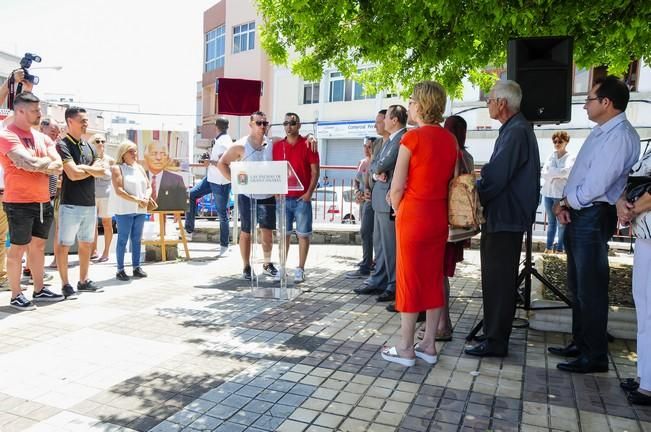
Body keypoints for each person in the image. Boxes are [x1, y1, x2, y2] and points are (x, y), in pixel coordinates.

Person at [550, 76, 640, 373]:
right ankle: (581, 342)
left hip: (593, 213)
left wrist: (566, 202)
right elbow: (581, 176)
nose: (585, 104)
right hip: (581, 212)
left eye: (589, 99)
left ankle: (595, 354)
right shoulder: (602, 131)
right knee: (577, 284)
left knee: (591, 287)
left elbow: (596, 185)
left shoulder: (620, 136)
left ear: (606, 103)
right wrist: (565, 202)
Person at [381, 81, 457, 366]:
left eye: (412, 100)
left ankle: (405, 348)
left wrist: (397, 206)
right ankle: (428, 346)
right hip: (438, 216)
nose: (409, 104)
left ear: (421, 104)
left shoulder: (411, 139)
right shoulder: (450, 140)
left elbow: (398, 188)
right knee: (434, 278)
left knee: (410, 280)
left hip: (413, 216)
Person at [465, 80, 541, 358]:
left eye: (490, 100)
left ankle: (496, 341)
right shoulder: (515, 129)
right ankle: (494, 335)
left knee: (498, 280)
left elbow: (496, 177)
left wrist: (474, 197)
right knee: (497, 279)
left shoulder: (516, 131)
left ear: (502, 103)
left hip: (505, 215)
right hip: (505, 214)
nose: (487, 104)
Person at [0, 92, 63, 310]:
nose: (40, 114)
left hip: (42, 200)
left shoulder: (42, 137)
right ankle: (16, 294)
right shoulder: (7, 135)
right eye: (35, 110)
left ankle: (39, 289)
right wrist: (41, 164)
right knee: (17, 249)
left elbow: (58, 163)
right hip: (18, 202)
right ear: (20, 111)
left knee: (37, 247)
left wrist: (38, 163)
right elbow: (25, 163)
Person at [217, 111, 278, 280]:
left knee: (267, 232)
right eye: (259, 123)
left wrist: (310, 135)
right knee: (246, 232)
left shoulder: (271, 143)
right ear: (250, 125)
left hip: (267, 195)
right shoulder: (241, 145)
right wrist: (234, 182)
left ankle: (267, 263)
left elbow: (290, 138)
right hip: (247, 196)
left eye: (265, 123)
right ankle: (246, 266)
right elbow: (222, 163)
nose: (262, 126)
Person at [56, 106, 107, 298]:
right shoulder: (62, 145)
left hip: (89, 204)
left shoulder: (90, 146)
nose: (86, 124)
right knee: (64, 245)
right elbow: (73, 174)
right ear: (70, 122)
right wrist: (91, 169)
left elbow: (103, 170)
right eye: (82, 121)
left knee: (87, 244)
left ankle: (84, 280)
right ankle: (65, 284)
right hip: (70, 204)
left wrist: (84, 168)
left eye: (87, 120)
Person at [436, 115, 475, 341]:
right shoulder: (467, 156)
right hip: (458, 222)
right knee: (443, 274)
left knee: (439, 275)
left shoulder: (451, 154)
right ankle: (443, 323)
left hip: (444, 220)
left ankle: (443, 324)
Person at [618, 147, 651, 404]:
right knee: (644, 305)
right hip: (644, 235)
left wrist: (632, 209)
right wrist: (623, 203)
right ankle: (645, 376)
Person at [272, 112, 320, 283]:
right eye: (285, 123)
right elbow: (273, 171)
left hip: (301, 199)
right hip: (282, 200)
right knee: (283, 235)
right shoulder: (277, 146)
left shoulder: (308, 145)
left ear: (299, 125)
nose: (289, 126)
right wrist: (275, 191)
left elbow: (315, 171)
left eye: (293, 123)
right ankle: (282, 267)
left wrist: (309, 193)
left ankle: (300, 269)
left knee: (303, 234)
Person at [368, 105, 407, 304]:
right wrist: (375, 172)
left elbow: (381, 164)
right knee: (381, 245)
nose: (381, 123)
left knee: (391, 246)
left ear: (394, 120)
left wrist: (376, 169)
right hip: (380, 199)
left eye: (385, 118)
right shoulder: (389, 140)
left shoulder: (401, 138)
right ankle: (382, 280)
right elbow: (374, 165)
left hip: (389, 200)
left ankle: (393, 285)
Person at [350, 110, 390, 292]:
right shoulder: (379, 144)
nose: (376, 125)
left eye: (379, 121)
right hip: (371, 198)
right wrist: (364, 189)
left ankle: (385, 278)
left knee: (384, 241)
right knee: (371, 235)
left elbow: (380, 168)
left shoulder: (396, 141)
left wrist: (375, 174)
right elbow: (372, 170)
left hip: (385, 200)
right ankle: (375, 272)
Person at [109, 141, 151, 281]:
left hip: (140, 209)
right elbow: (119, 190)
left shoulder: (139, 167)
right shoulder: (117, 168)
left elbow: (149, 186)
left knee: (137, 239)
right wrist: (138, 200)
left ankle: (136, 267)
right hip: (124, 209)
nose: (135, 154)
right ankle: (120, 269)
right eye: (131, 151)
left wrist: (146, 197)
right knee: (122, 240)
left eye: (135, 151)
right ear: (123, 153)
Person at [541, 131, 574, 254]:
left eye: (560, 141)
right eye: (555, 141)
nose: (557, 144)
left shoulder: (570, 157)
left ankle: (560, 249)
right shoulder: (551, 156)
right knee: (551, 222)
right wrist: (556, 173)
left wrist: (552, 172)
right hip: (548, 193)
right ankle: (549, 248)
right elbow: (544, 173)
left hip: (560, 195)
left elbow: (566, 172)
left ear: (566, 142)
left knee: (561, 223)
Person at [206, 117, 233, 255]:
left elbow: (224, 163)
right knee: (192, 194)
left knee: (222, 215)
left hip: (220, 181)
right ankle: (189, 228)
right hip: (212, 179)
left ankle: (224, 245)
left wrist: (210, 162)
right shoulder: (222, 139)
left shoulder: (223, 142)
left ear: (216, 126)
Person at [39, 118, 62, 270]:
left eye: (57, 132)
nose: (55, 135)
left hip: (53, 196)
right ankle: (31, 267)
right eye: (53, 132)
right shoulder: (38, 146)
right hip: (39, 197)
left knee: (57, 230)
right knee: (37, 236)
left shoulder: (56, 147)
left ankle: (55, 260)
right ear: (42, 129)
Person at [350, 137, 374, 278]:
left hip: (372, 202)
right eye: (365, 146)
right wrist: (357, 192)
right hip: (363, 203)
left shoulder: (375, 162)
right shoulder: (363, 163)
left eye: (369, 146)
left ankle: (368, 263)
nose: (366, 149)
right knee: (365, 232)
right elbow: (356, 181)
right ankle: (367, 261)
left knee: (368, 232)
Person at [143, 140, 188, 211]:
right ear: (145, 157)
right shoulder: (139, 177)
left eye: (163, 154)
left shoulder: (177, 180)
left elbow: (182, 206)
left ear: (167, 158)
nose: (158, 158)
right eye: (154, 153)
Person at [90, 134, 114, 262]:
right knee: (91, 225)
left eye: (103, 141)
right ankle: (93, 251)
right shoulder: (89, 159)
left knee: (107, 223)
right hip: (91, 195)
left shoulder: (110, 160)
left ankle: (106, 252)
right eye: (97, 141)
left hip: (106, 196)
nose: (100, 143)